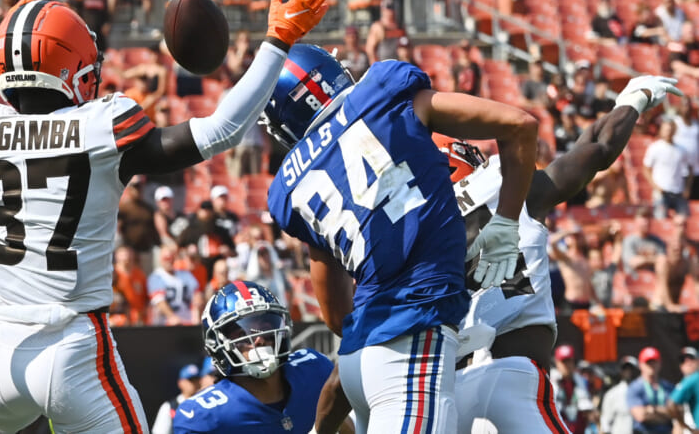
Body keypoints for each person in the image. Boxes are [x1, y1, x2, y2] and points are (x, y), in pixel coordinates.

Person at [0, 0, 329, 431]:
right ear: (72, 72)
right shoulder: (100, 127)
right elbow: (222, 130)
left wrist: (11, 40)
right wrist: (278, 40)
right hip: (71, 349)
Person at [262, 43, 539, 433]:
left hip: (356, 362)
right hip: (413, 342)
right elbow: (519, 124)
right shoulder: (381, 90)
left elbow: (337, 314)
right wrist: (506, 221)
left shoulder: (288, 187)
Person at [435, 75, 681, 433]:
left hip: (453, 390)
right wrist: (635, 101)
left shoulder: (425, 226)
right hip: (511, 375)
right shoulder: (503, 185)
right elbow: (596, 152)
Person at [173, 281, 344, 434]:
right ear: (217, 343)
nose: (259, 339)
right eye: (242, 333)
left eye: (266, 327)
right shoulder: (202, 416)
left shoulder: (313, 369)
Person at [643, 119, 693, 219]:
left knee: (684, 220)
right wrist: (656, 187)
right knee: (660, 220)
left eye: (670, 130)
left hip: (678, 191)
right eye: (666, 130)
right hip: (662, 192)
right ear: (661, 131)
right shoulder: (655, 148)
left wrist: (687, 187)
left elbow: (690, 167)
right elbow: (646, 169)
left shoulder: (681, 150)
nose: (668, 133)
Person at [627, 346, 676, 434]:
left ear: (660, 363)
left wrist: (653, 410)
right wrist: (665, 414)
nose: (651, 365)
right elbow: (641, 416)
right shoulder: (635, 387)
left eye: (654, 362)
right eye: (648, 362)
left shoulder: (668, 387)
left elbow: (676, 413)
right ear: (640, 364)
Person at [151, 363, 202, 434]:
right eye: (190, 380)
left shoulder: (205, 403)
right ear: (180, 383)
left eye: (196, 380)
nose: (194, 384)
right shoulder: (170, 407)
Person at [601, 356, 640, 434]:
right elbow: (605, 423)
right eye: (625, 369)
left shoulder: (645, 391)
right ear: (621, 371)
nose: (628, 372)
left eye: (631, 369)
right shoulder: (612, 394)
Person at [670, 346, 699, 432]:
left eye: (691, 358)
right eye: (683, 360)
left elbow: (671, 404)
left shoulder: (695, 377)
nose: (687, 363)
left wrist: (687, 427)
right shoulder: (682, 385)